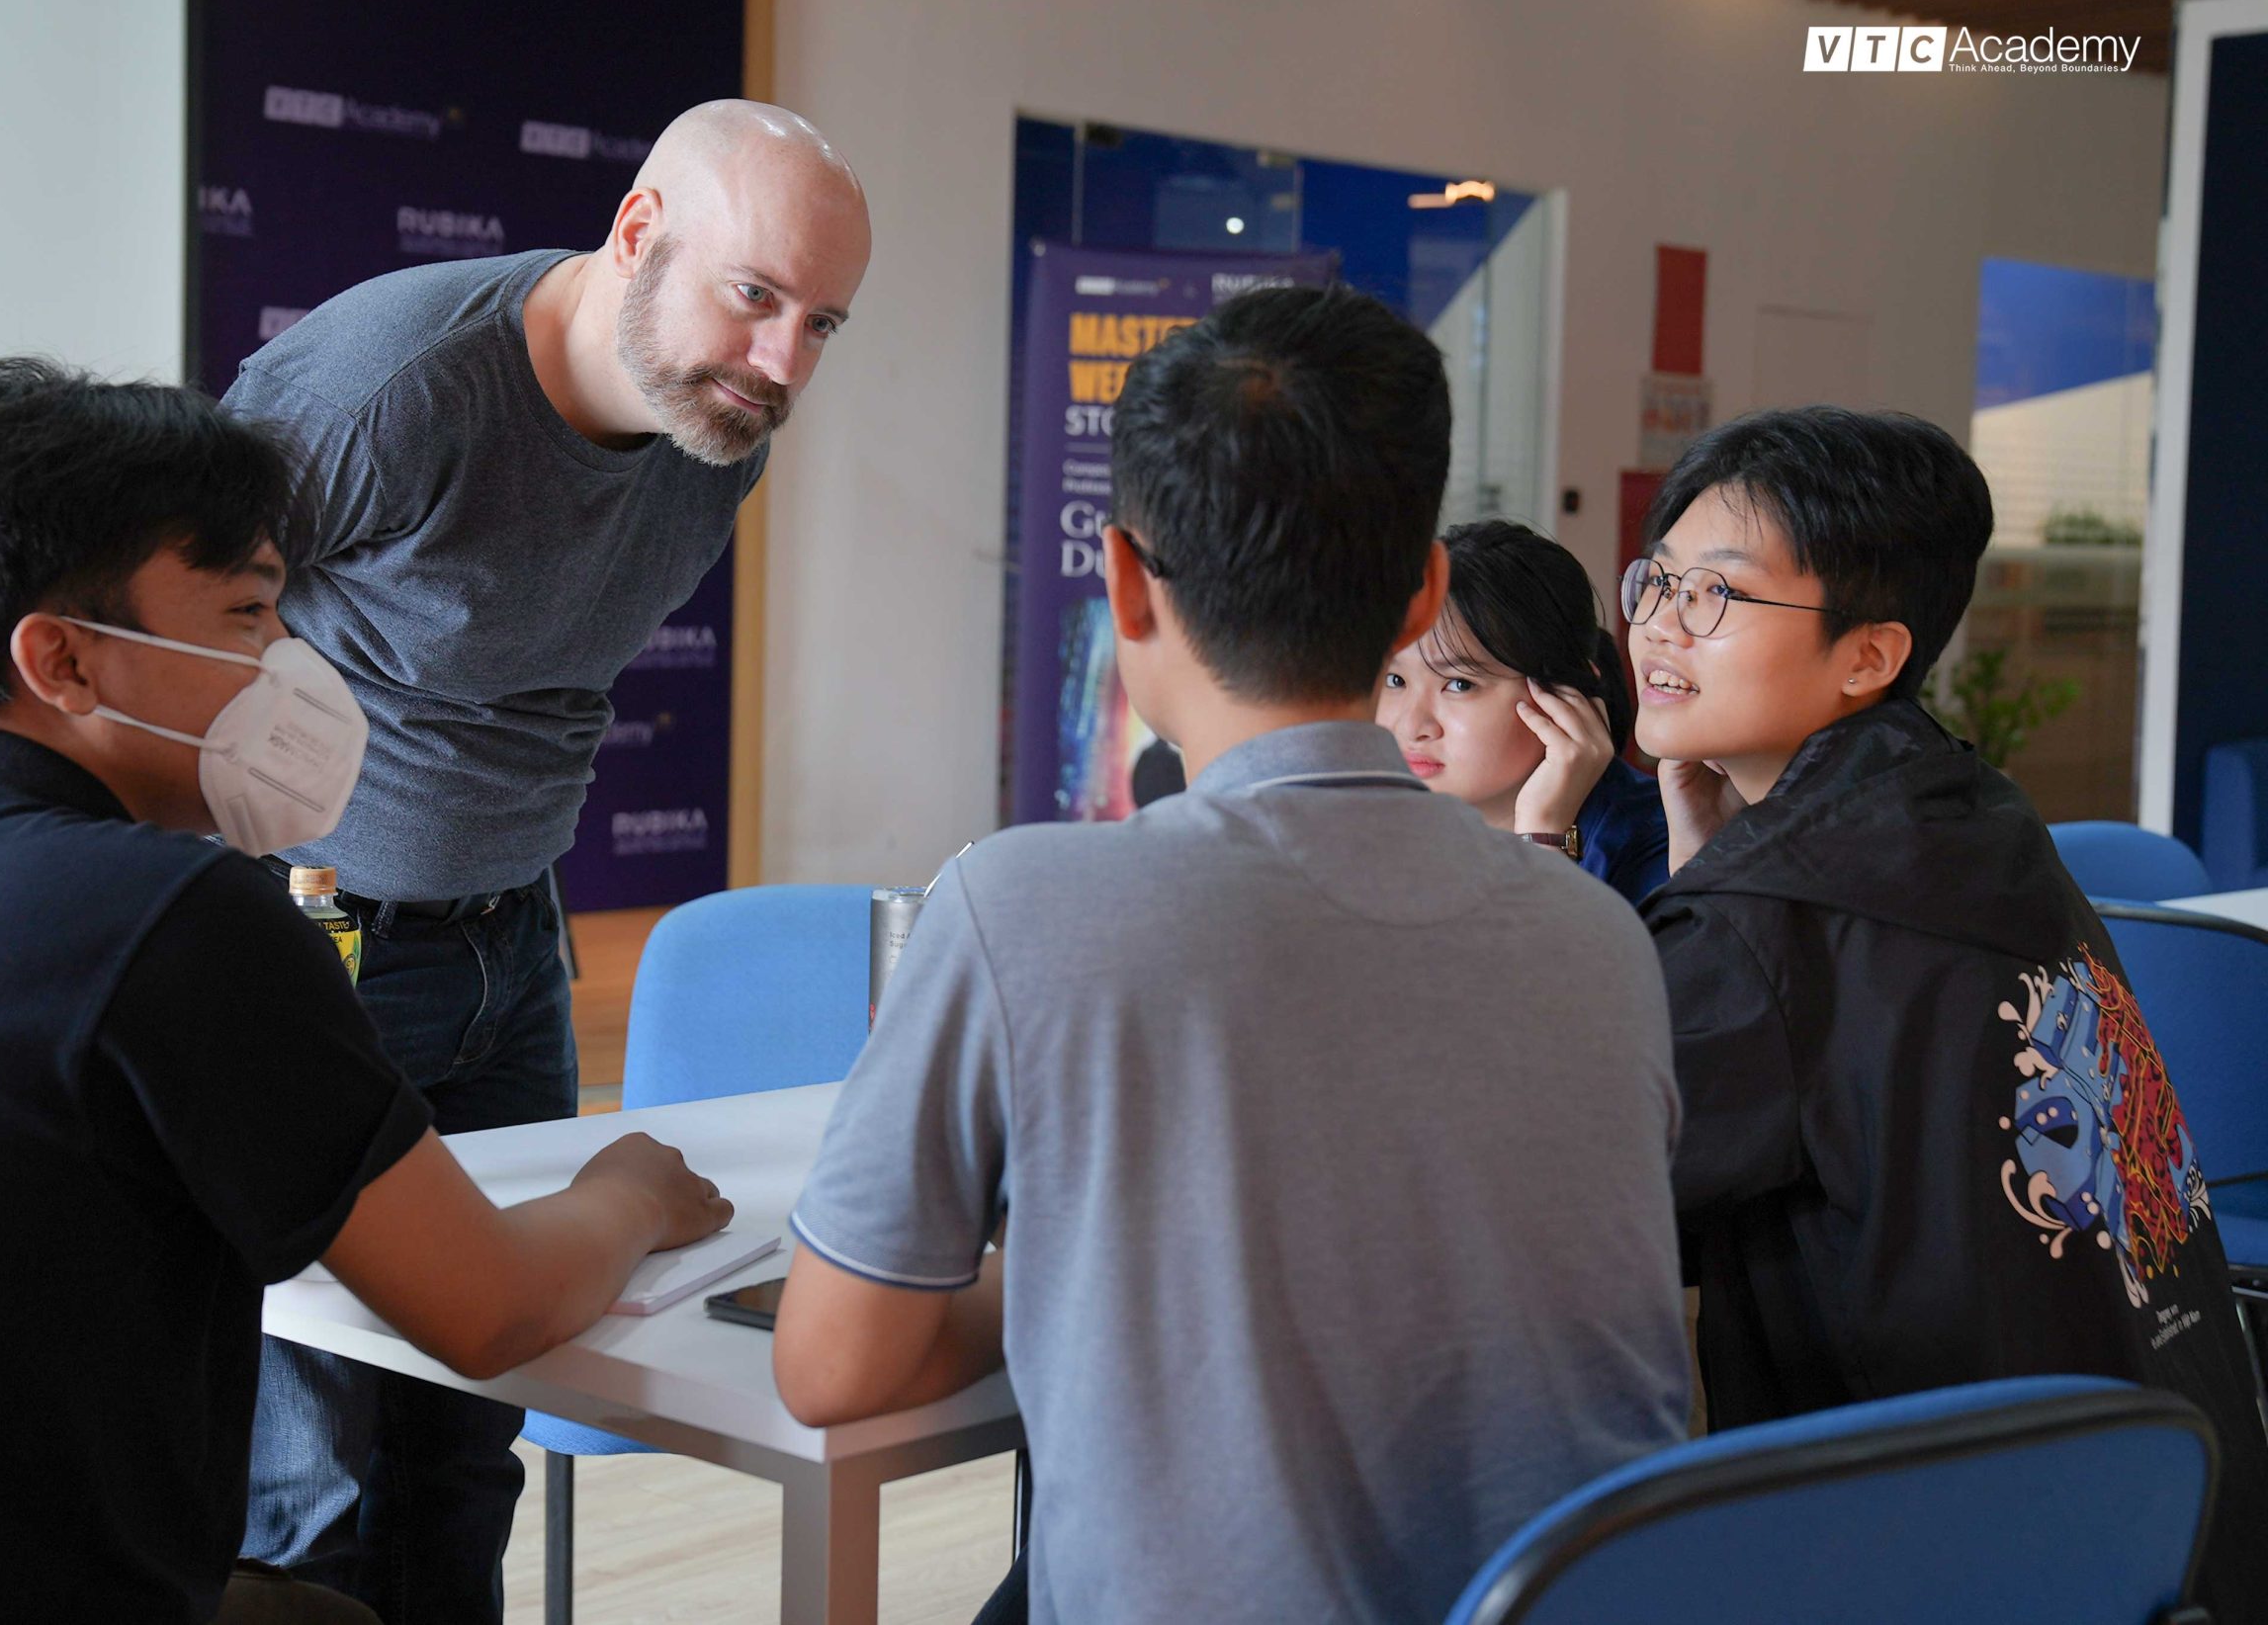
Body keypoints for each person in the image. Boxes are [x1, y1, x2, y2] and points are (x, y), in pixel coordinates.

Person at [0, 360, 733, 1625]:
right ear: (65, 662)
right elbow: (491, 1311)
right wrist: (627, 1191)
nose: (286, 663)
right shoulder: (173, 914)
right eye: (247, 615)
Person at [768, 286, 1693, 1623]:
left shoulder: (1018, 903)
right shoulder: (1601, 938)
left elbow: (833, 1366)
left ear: (1126, 581)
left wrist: (1081, 1267)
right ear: (1423, 587)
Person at [222, 101, 869, 1619]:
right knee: (309, 1469)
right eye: (755, 296)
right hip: (316, 939)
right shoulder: (382, 392)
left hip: (515, 940)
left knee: (472, 1437)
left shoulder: (715, 431)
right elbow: (173, 627)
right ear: (637, 232)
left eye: (823, 322)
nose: (783, 364)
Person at [1631, 404, 2268, 1620]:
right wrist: (1710, 879)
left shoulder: (1767, 927)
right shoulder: (1972, 814)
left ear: (1868, 655)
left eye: (1713, 595)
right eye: (1652, 581)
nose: (1658, 626)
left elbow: (1563, 1214)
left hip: (1941, 1548)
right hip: (2175, 1513)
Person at [1378, 518, 1669, 902]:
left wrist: (1543, 837)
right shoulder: (1372, 822)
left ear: (1567, 691)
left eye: (1460, 685)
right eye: (1395, 680)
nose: (1412, 726)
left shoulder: (1659, 846)